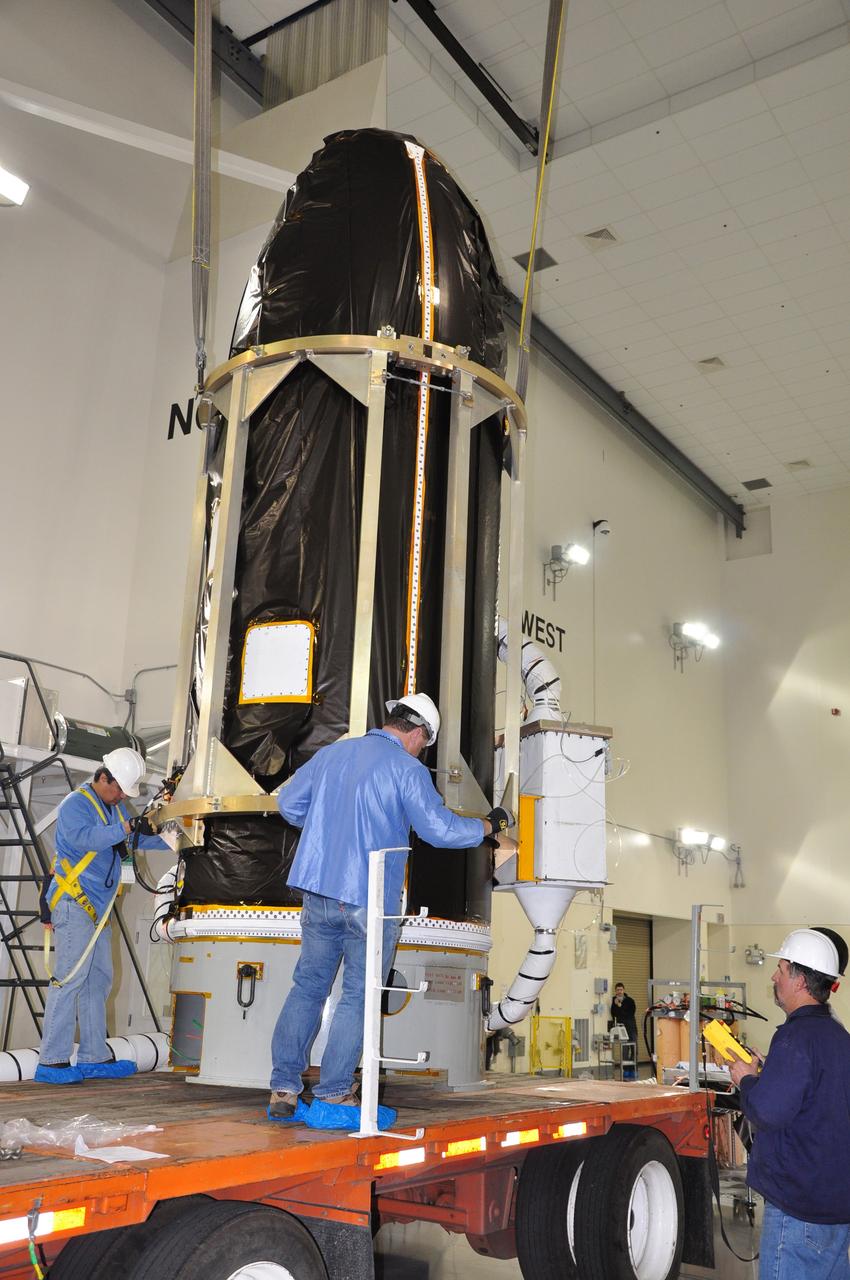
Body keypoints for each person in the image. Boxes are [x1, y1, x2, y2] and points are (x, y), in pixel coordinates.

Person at [269, 693, 513, 1122]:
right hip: (369, 898)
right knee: (357, 997)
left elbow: (288, 804)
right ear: (418, 733)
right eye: (425, 742)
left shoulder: (333, 753)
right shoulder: (407, 769)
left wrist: (331, 822)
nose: (422, 749)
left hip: (317, 891)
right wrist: (489, 826)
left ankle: (284, 1088)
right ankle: (332, 1092)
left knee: (306, 988)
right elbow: (438, 830)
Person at [35, 748, 168, 1084]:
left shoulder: (113, 807)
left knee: (97, 981)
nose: (122, 796)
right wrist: (126, 825)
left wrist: (173, 838)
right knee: (69, 979)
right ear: (103, 777)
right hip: (74, 903)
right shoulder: (76, 805)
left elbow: (133, 837)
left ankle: (94, 1055)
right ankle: (51, 1060)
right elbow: (86, 839)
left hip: (97, 909)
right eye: (119, 789)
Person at [729, 928, 850, 1280]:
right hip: (834, 1209)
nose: (773, 976)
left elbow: (767, 1111)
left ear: (799, 979)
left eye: (780, 969)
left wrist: (746, 1079)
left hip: (799, 1214)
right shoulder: (838, 1037)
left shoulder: (795, 1037)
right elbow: (818, 1096)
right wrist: (772, 1071)